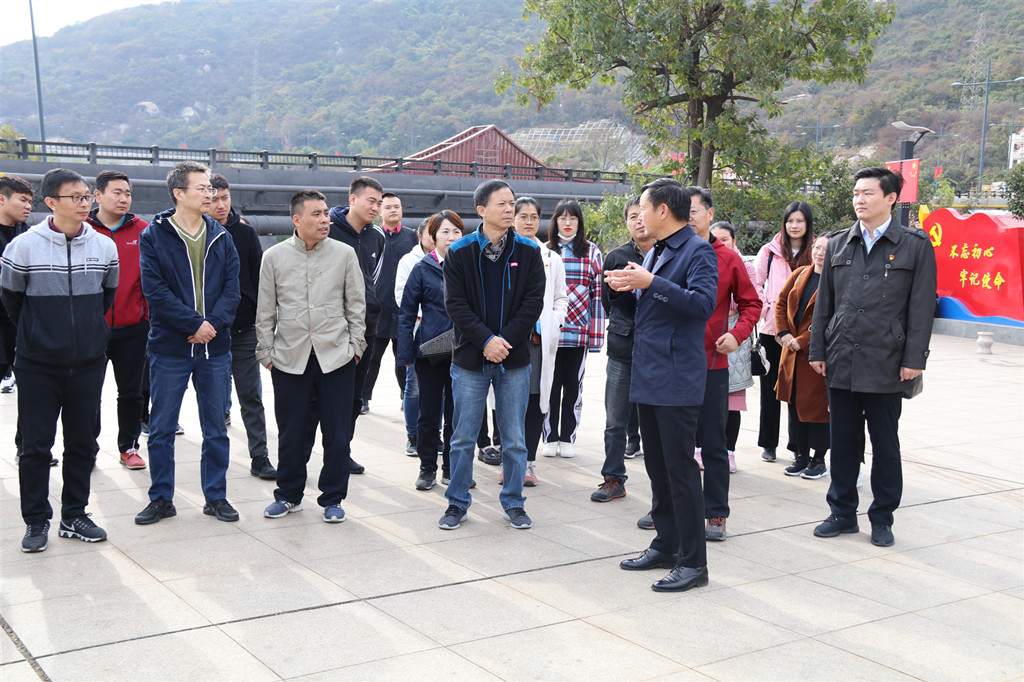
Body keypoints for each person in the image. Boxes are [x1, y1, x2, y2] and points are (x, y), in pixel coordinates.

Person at [810, 167, 936, 548]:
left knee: (885, 445)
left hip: (888, 361)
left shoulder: (915, 245)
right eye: (856, 193)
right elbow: (824, 304)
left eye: (867, 193)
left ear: (891, 198)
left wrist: (914, 359)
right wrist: (818, 350)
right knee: (843, 442)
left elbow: (921, 308)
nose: (859, 200)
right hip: (841, 358)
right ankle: (842, 512)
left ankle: (882, 517)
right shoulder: (838, 243)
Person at [606, 178, 716, 592]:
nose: (639, 216)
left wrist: (651, 283)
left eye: (644, 209)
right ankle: (666, 544)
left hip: (676, 375)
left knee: (680, 470)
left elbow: (702, 304)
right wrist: (624, 288)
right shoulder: (657, 250)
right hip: (648, 372)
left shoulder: (698, 250)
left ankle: (693, 562)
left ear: (664, 211)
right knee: (657, 466)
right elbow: (651, 307)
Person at [2, 168, 119, 552]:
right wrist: (40, 335)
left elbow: (106, 296)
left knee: (82, 443)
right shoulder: (23, 247)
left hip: (87, 362)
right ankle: (36, 520)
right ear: (51, 202)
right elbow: (12, 301)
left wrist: (88, 336)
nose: (85, 203)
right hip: (37, 364)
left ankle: (74, 514)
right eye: (76, 197)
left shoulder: (104, 246)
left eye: (87, 196)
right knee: (36, 447)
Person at [135, 161, 241, 525]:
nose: (210, 194)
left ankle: (216, 496)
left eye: (211, 188)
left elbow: (232, 290)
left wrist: (211, 326)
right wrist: (195, 324)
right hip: (170, 347)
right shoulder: (154, 235)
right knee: (162, 428)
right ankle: (161, 498)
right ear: (179, 193)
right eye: (203, 188)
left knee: (216, 428)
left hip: (215, 347)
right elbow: (155, 291)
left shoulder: (221, 235)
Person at [438, 179, 545, 531]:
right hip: (470, 359)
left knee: (514, 439)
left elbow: (533, 303)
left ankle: (514, 502)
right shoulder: (460, 251)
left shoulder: (528, 251)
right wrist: (485, 340)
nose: (510, 208)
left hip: (513, 359)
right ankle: (457, 502)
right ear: (482, 210)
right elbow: (456, 304)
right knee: (462, 437)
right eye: (502, 203)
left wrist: (503, 341)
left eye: (511, 202)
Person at [256, 190, 366, 522]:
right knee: (291, 433)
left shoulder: (344, 254)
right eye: (316, 214)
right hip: (289, 358)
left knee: (337, 434)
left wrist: (355, 348)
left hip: (337, 357)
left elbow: (356, 305)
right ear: (296, 219)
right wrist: (266, 353)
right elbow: (265, 310)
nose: (324, 220)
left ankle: (333, 498)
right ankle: (288, 495)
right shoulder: (273, 257)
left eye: (325, 213)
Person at [688, 187, 761, 542]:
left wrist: (737, 334)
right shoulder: (665, 252)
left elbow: (751, 304)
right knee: (671, 443)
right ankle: (667, 507)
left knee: (714, 444)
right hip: (671, 365)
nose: (688, 217)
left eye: (694, 210)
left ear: (710, 213)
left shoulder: (729, 259)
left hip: (712, 364)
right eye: (681, 210)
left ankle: (715, 513)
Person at [314, 176, 385, 474]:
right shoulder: (326, 229)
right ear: (352, 199)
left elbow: (372, 279)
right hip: (330, 330)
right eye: (371, 201)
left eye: (379, 203)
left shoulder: (377, 236)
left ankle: (342, 452)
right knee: (323, 397)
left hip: (365, 329)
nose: (376, 208)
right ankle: (310, 454)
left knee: (354, 397)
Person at [208, 173, 275, 480]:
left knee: (251, 395)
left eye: (225, 198)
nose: (221, 205)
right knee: (213, 399)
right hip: (208, 332)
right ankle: (214, 460)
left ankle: (259, 456)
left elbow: (259, 280)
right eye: (214, 199)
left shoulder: (245, 233)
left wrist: (263, 323)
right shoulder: (197, 234)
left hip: (244, 328)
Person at [503, 197, 567, 488]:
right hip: (507, 341)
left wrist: (553, 322)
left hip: (538, 341)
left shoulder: (551, 258)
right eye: (523, 216)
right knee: (506, 402)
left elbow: (560, 298)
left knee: (533, 401)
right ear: (513, 219)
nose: (528, 222)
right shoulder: (502, 252)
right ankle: (508, 461)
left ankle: (528, 462)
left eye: (534, 217)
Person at [397, 210, 463, 490]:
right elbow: (406, 313)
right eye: (445, 232)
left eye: (456, 231)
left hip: (464, 351)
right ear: (433, 237)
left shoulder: (469, 265)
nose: (451, 237)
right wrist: (405, 354)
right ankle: (427, 469)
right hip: (431, 353)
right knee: (429, 413)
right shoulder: (422, 268)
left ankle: (452, 468)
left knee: (458, 414)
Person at [88, 170, 149, 471]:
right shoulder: (83, 229)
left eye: (128, 193)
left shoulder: (143, 231)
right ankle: (87, 448)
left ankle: (129, 446)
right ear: (98, 195)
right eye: (117, 192)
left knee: (132, 392)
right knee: (88, 392)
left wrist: (145, 317)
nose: (124, 198)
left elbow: (153, 279)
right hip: (91, 329)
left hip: (133, 328)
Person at [594, 196, 650, 503]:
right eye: (632, 216)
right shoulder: (616, 257)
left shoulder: (668, 254)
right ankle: (613, 479)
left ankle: (663, 489)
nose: (639, 221)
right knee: (615, 421)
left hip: (658, 351)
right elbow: (609, 303)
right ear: (626, 222)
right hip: (622, 346)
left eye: (643, 214)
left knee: (657, 424)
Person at [541, 199, 604, 458]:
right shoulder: (544, 251)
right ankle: (549, 437)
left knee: (573, 388)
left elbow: (598, 297)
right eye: (562, 218)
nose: (567, 223)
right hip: (548, 335)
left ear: (580, 222)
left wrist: (596, 338)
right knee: (549, 386)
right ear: (554, 221)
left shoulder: (592, 252)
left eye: (573, 218)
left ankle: (567, 437)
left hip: (578, 335)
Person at [755, 201, 813, 463]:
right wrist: (767, 310)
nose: (794, 225)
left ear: (808, 224)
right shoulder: (769, 251)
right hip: (772, 332)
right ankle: (769, 444)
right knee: (770, 391)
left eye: (800, 221)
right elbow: (755, 285)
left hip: (801, 336)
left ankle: (798, 445)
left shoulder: (817, 251)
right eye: (790, 220)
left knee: (798, 391)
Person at [776, 233, 833, 480]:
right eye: (817, 248)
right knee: (794, 406)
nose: (820, 253)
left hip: (816, 357)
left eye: (826, 250)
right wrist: (784, 333)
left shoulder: (836, 281)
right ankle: (800, 455)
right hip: (791, 354)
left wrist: (802, 340)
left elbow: (831, 319)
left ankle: (818, 459)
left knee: (818, 410)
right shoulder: (800, 274)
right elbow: (780, 303)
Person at [711, 221, 762, 471]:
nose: (720, 243)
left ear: (734, 241)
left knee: (732, 403)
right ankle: (701, 449)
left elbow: (749, 301)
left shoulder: (745, 266)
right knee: (706, 402)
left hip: (736, 339)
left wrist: (728, 306)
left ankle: (729, 451)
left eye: (725, 239)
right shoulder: (703, 261)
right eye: (716, 239)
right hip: (711, 337)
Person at [362, 192, 416, 414]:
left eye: (397, 206)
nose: (393, 210)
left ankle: (406, 396)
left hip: (404, 310)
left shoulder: (412, 237)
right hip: (378, 308)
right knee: (372, 357)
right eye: (388, 207)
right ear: (380, 212)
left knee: (403, 357)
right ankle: (363, 398)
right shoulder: (373, 236)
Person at [0, 176, 37, 463]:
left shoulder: (30, 237)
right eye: (22, 200)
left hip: (19, 324)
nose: (28, 206)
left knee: (31, 390)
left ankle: (26, 446)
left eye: (30, 201)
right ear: (2, 199)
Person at [395, 218, 434, 456]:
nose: (436, 237)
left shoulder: (451, 259)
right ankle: (413, 435)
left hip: (444, 331)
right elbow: (402, 296)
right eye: (431, 233)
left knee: (440, 389)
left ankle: (435, 435)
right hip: (419, 328)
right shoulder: (409, 261)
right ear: (420, 236)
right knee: (414, 386)